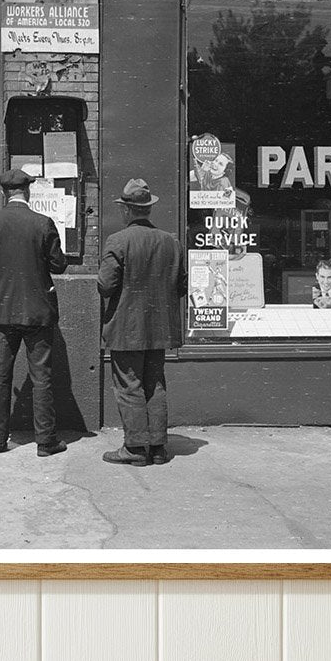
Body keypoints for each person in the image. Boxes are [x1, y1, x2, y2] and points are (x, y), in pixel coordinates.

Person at [0, 169, 69, 456]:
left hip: (1, 311)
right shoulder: (42, 223)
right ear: (27, 191)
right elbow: (58, 264)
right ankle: (45, 441)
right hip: (37, 312)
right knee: (42, 376)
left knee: (0, 376)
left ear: (6, 193)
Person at [97, 178, 182, 466]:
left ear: (126, 210)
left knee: (129, 385)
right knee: (155, 383)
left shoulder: (118, 241)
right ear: (147, 209)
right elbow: (180, 286)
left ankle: (135, 449)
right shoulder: (171, 241)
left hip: (126, 328)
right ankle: (157, 447)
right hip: (159, 329)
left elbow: (105, 286)